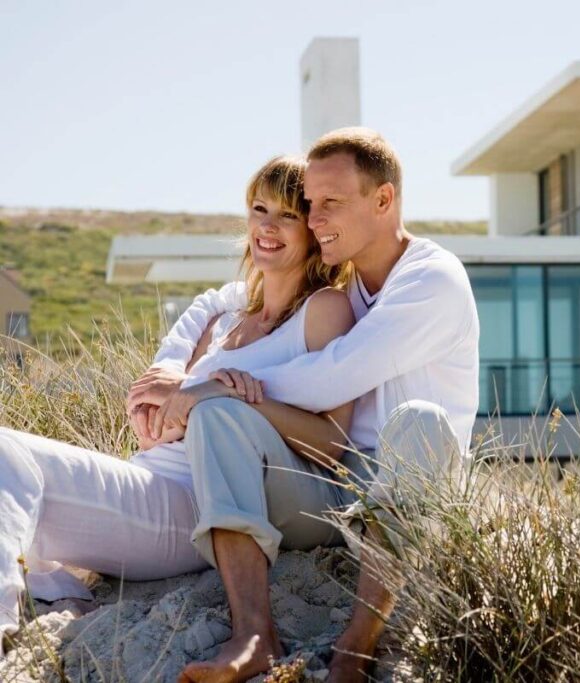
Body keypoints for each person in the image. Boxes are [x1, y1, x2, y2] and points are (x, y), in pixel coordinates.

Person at [131, 127, 480, 683]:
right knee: (221, 416)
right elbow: (223, 298)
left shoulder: (431, 280)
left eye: (330, 204)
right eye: (310, 204)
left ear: (384, 200)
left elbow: (330, 378)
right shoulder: (345, 287)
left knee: (419, 420)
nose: (313, 220)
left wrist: (208, 386)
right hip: (325, 479)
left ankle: (357, 645)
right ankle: (253, 635)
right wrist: (179, 364)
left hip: (407, 489)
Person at [0, 155, 358, 657]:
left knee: (5, 453)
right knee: (13, 486)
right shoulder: (225, 320)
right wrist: (164, 411)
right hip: (146, 478)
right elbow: (165, 414)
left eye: (287, 215)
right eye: (259, 209)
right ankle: (46, 592)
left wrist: (229, 395)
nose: (268, 227)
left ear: (313, 229)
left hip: (194, 502)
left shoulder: (323, 310)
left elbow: (331, 444)